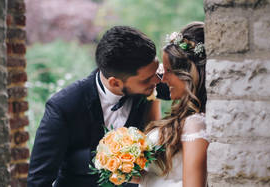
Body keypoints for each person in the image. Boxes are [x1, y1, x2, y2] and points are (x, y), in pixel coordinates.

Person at [27, 26, 166, 187]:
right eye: (147, 79)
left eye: (157, 72)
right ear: (115, 82)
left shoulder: (151, 82)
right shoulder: (64, 107)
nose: (157, 81)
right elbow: (38, 181)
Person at [138, 22, 209, 187]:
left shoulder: (195, 123)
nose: (163, 78)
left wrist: (145, 179)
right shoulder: (187, 117)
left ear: (187, 74)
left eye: (169, 71)